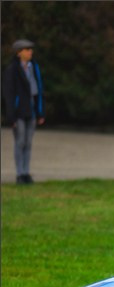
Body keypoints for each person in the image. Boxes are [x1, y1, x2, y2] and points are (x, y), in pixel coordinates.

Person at [3, 39, 45, 185]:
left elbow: (38, 90)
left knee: (28, 142)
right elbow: (9, 94)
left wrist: (40, 112)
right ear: (18, 53)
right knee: (19, 142)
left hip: (31, 111)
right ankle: (19, 173)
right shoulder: (12, 70)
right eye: (27, 50)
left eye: (30, 49)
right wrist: (11, 115)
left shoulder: (34, 68)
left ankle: (26, 172)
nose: (30, 52)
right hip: (19, 113)